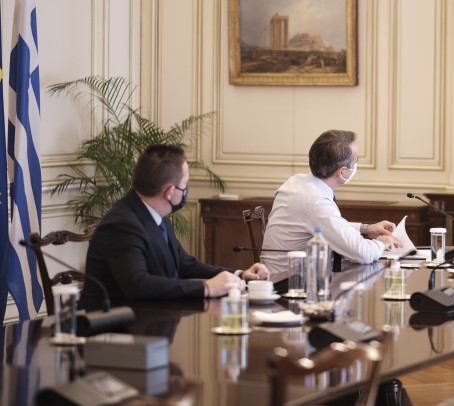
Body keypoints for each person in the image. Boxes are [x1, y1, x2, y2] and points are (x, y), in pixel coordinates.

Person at [82, 145, 269, 309]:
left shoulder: (155, 213)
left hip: (151, 322)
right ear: (170, 192)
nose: (186, 190)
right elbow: (138, 284)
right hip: (115, 335)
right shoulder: (123, 224)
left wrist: (239, 275)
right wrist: (206, 288)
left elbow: (184, 264)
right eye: (185, 184)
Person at [261, 130, 401, 282]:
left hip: (288, 277)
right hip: (291, 285)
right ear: (342, 172)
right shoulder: (316, 201)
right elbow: (363, 254)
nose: (356, 167)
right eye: (355, 163)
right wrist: (381, 243)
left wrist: (366, 229)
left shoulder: (297, 182)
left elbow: (326, 225)